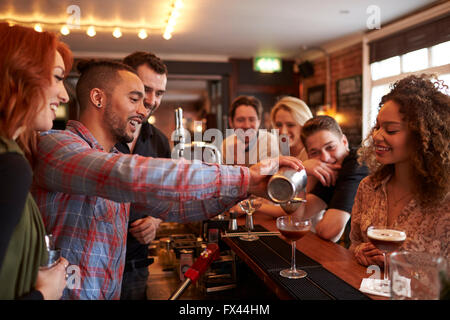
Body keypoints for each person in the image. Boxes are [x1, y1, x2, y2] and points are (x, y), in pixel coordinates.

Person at [31, 59, 303, 299]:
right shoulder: (55, 146)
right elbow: (128, 173)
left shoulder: (113, 157)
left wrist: (249, 187)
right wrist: (246, 177)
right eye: (134, 98)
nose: (144, 107)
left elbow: (177, 206)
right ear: (98, 98)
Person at [350, 74, 449, 268]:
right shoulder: (369, 187)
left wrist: (400, 264)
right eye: (377, 127)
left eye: (391, 130)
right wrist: (360, 251)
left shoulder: (445, 200)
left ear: (423, 136)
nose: (377, 136)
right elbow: (353, 243)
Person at [0, 23, 69, 299]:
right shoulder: (9, 166)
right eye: (57, 77)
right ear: (19, 74)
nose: (64, 95)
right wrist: (44, 294)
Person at [115, 51, 170, 300]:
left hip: (136, 263)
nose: (152, 100)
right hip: (90, 260)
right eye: (146, 89)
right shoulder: (99, 134)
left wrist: (155, 221)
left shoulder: (159, 141)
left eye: (159, 93)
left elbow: (166, 197)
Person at [292, 115, 369, 243]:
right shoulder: (331, 170)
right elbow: (296, 218)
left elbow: (329, 232)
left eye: (330, 147)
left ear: (344, 142)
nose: (325, 158)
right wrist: (302, 173)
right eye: (315, 152)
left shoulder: (357, 164)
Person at [221, 95, 279, 166]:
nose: (247, 125)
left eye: (252, 119)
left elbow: (265, 175)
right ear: (231, 122)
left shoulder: (270, 141)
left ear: (259, 121)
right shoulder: (226, 144)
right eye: (240, 120)